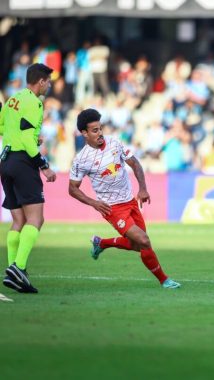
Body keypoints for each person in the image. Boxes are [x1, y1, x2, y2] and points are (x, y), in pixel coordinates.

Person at [68, 109, 180, 289]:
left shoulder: (114, 143)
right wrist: (94, 203)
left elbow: (134, 162)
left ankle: (101, 243)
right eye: (94, 130)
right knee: (144, 241)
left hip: (130, 201)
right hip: (112, 208)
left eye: (100, 128)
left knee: (138, 246)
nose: (100, 133)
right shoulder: (81, 159)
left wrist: (143, 188)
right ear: (84, 133)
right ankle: (165, 280)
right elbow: (72, 189)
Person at [0, 63, 57, 293]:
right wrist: (43, 165)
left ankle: (12, 271)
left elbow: (3, 126)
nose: (50, 85)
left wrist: (30, 140)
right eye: (49, 81)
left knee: (18, 221)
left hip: (6, 161)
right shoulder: (35, 102)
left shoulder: (13, 98)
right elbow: (25, 137)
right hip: (23, 163)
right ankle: (19, 268)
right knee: (36, 219)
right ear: (41, 81)